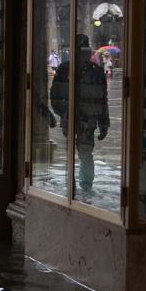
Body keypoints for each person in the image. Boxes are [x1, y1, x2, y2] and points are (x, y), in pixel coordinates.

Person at [50, 34, 109, 192]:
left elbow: (103, 99)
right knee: (78, 153)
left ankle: (83, 187)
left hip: (85, 121)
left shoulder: (94, 71)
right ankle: (76, 186)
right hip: (74, 119)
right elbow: (55, 95)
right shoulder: (66, 69)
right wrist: (63, 114)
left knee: (84, 154)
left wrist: (104, 124)